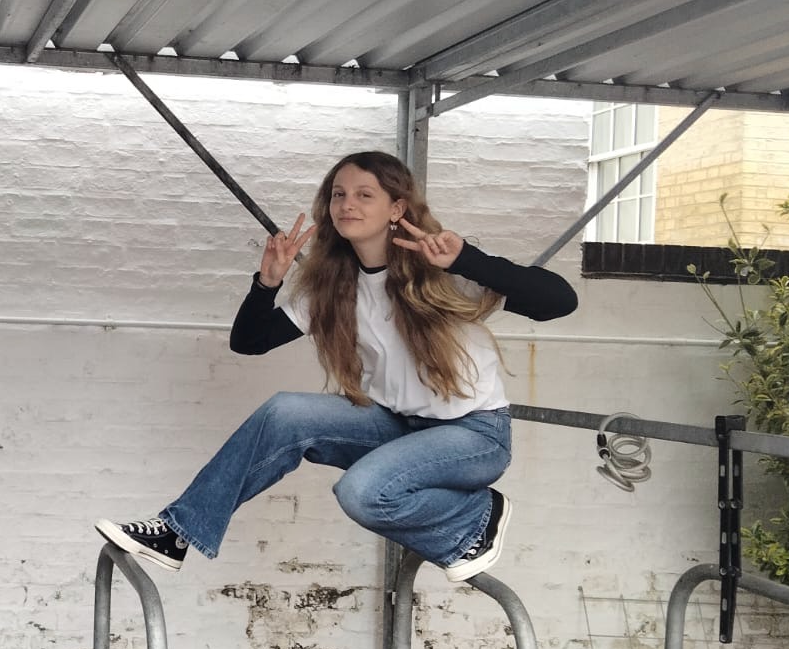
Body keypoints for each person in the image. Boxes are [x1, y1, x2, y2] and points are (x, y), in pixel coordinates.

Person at [95, 150, 577, 582]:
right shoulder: (335, 286)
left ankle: (474, 518)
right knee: (285, 412)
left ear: (397, 209)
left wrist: (468, 259)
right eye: (339, 194)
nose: (348, 204)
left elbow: (559, 302)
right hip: (396, 426)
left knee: (361, 493)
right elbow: (250, 343)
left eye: (365, 194)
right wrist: (266, 285)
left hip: (473, 435)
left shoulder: (442, 269)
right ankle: (179, 532)